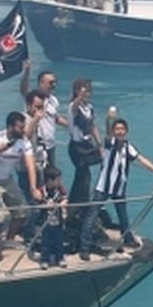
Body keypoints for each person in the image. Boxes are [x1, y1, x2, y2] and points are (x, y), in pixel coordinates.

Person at [92, 116, 153, 251]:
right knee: (92, 214)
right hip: (103, 187)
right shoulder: (109, 143)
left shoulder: (128, 147)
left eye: (122, 129)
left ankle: (127, 238)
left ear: (126, 131)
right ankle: (85, 245)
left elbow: (141, 159)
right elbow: (108, 134)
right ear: (113, 131)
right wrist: (110, 117)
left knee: (123, 215)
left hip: (118, 188)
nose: (120, 132)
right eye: (117, 129)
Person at [0, 110, 39, 264]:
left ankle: (8, 239)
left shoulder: (24, 142)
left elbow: (30, 165)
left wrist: (33, 187)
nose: (23, 131)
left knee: (22, 211)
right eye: (20, 128)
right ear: (10, 127)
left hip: (8, 180)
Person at [65, 77, 102, 249]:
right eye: (83, 90)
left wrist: (99, 144)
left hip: (87, 144)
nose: (87, 93)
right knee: (83, 177)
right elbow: (74, 106)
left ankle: (80, 205)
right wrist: (79, 96)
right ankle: (77, 207)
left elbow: (92, 126)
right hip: (77, 147)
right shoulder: (73, 107)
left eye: (88, 90)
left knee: (85, 177)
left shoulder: (89, 108)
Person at [33, 164, 69, 268]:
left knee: (59, 241)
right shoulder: (41, 191)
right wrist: (45, 205)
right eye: (58, 180)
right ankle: (45, 260)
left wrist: (62, 203)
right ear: (50, 180)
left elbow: (65, 199)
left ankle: (60, 258)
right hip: (45, 222)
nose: (60, 182)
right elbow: (37, 205)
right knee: (45, 242)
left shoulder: (60, 190)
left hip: (58, 221)